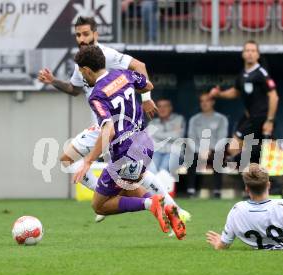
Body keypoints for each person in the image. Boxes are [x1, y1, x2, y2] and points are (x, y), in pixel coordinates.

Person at [38, 16, 191, 225]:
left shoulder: (106, 55)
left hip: (115, 129)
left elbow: (139, 65)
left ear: (95, 34)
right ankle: (113, 196)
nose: (82, 39)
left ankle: (174, 208)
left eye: (85, 34)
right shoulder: (82, 61)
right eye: (78, 35)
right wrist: (53, 81)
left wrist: (146, 100)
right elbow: (74, 89)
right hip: (104, 127)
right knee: (68, 159)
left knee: (136, 177)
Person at [72, 45, 186, 240]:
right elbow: (148, 85)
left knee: (99, 205)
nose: (83, 76)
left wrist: (88, 161)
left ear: (87, 70)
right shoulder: (124, 74)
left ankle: (151, 204)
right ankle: (169, 210)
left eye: (82, 72)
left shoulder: (96, 95)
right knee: (127, 187)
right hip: (145, 145)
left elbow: (109, 129)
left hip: (125, 154)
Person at [209, 40, 283, 202]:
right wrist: (219, 94)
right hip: (250, 119)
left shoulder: (261, 73)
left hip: (261, 120)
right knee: (263, 155)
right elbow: (235, 92)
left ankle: (261, 186)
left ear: (257, 54)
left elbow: (274, 97)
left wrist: (269, 120)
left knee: (253, 153)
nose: (249, 53)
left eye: (253, 50)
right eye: (247, 50)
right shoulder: (243, 73)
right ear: (243, 54)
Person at [187, 93, 229, 198]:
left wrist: (210, 150)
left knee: (218, 156)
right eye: (202, 101)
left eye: (207, 100)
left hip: (215, 150)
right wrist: (201, 150)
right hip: (198, 150)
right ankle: (190, 190)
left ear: (213, 102)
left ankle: (217, 191)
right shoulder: (194, 119)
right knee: (190, 155)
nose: (204, 103)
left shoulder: (221, 119)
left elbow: (222, 138)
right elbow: (191, 138)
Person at [148, 99, 185, 174]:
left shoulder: (178, 119)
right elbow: (150, 140)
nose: (162, 109)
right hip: (157, 152)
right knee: (151, 170)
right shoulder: (153, 122)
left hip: (174, 152)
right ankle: (157, 186)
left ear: (170, 108)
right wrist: (171, 134)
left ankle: (162, 186)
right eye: (159, 106)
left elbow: (177, 136)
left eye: (165, 106)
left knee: (163, 170)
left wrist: (157, 134)